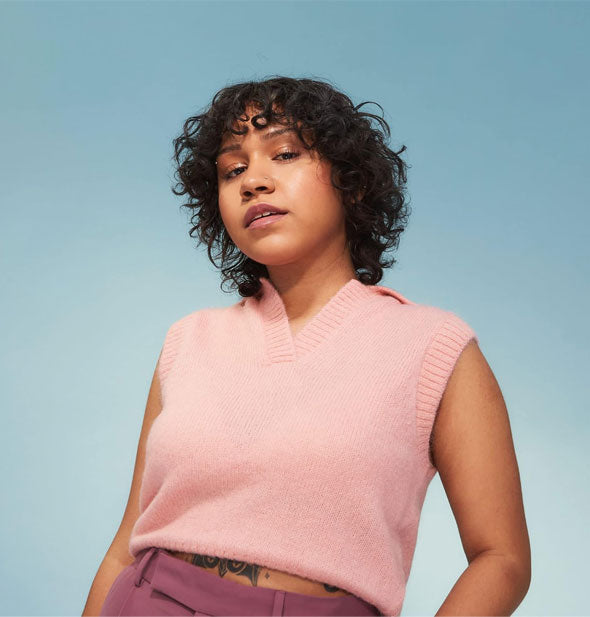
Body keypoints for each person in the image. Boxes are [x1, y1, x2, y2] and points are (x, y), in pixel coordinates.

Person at [83, 76, 531, 617]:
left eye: (285, 153)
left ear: (352, 182)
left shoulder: (435, 347)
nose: (254, 182)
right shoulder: (188, 339)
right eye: (233, 170)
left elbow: (501, 557)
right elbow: (125, 541)